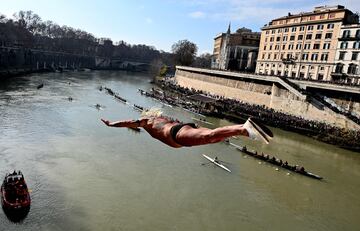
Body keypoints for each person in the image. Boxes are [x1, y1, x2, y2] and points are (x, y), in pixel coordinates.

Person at [101, 108, 273, 148]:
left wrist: (111, 124)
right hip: (182, 128)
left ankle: (244, 128)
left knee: (210, 137)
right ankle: (246, 131)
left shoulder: (146, 120)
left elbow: (128, 122)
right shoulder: (161, 117)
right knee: (212, 137)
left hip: (176, 135)